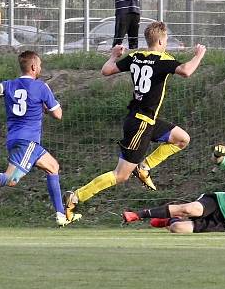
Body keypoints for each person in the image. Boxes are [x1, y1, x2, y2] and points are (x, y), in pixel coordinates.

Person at [63, 21, 206, 222]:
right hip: (141, 125)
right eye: (165, 40)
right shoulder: (163, 59)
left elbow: (106, 71)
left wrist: (114, 55)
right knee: (120, 175)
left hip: (146, 120)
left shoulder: (135, 57)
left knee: (182, 139)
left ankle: (145, 167)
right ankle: (76, 196)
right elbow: (186, 71)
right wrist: (198, 54)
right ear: (161, 40)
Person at [0, 51, 76, 226]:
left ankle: (61, 216)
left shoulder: (9, 85)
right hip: (27, 141)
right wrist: (46, 104)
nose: (41, 68)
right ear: (34, 67)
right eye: (40, 65)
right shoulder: (42, 87)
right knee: (11, 178)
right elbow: (58, 114)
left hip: (16, 139)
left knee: (53, 167)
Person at [122, 144, 225, 234]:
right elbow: (220, 161)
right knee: (189, 208)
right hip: (219, 201)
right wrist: (217, 154)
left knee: (177, 229)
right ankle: (137, 215)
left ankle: (170, 220)